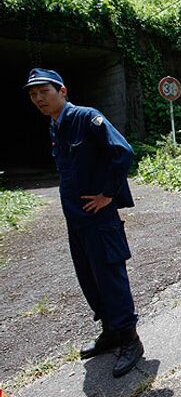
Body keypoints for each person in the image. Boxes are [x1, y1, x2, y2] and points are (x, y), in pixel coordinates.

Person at [24, 68, 144, 378]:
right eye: (33, 94)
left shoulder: (85, 117)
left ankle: (130, 341)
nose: (38, 98)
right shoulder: (56, 126)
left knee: (109, 276)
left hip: (99, 218)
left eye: (44, 91)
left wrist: (107, 194)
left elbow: (123, 152)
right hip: (76, 220)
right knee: (89, 277)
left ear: (62, 91)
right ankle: (110, 331)